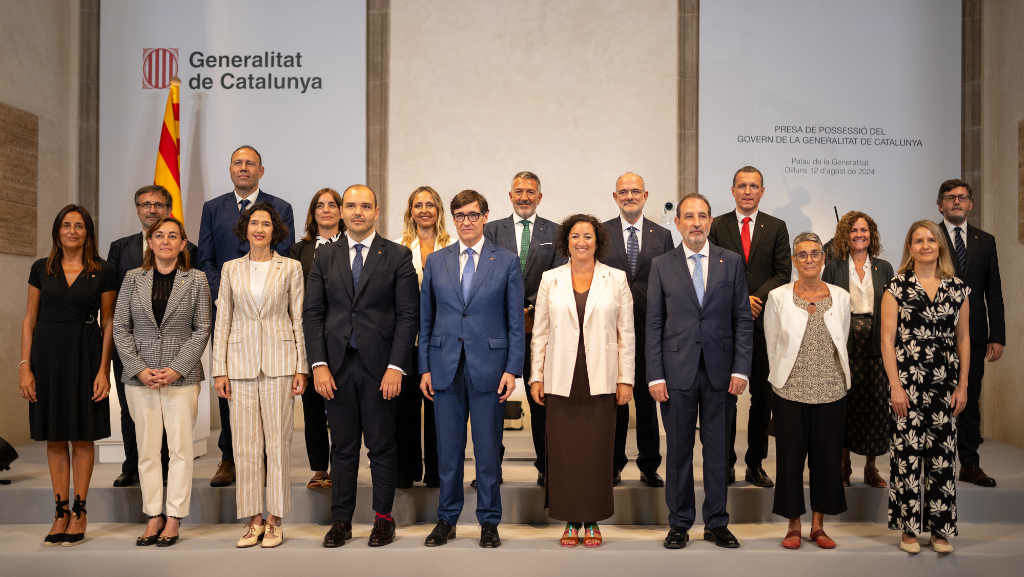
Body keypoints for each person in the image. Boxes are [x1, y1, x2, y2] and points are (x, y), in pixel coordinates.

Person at [304, 185, 419, 548]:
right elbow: (313, 313)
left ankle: (383, 520)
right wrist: (319, 365)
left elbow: (407, 317)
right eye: (350, 206)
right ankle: (341, 521)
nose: (357, 212)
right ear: (341, 211)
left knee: (382, 447)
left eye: (364, 206)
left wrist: (396, 367)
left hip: (380, 368)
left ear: (376, 211)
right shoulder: (325, 256)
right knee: (342, 448)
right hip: (336, 368)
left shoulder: (397, 255)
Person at [419, 190, 525, 549]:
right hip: (444, 366)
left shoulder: (506, 261)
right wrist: (424, 369)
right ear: (453, 219)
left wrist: (513, 368)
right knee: (448, 452)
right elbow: (426, 319)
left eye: (473, 214)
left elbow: (515, 321)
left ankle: (489, 521)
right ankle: (446, 519)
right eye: (459, 215)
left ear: (485, 216)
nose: (466, 221)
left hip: (490, 369)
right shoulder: (436, 261)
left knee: (487, 451)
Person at [648, 193, 752, 550]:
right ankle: (678, 523)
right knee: (678, 451)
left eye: (702, 216)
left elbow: (742, 319)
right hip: (676, 373)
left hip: (721, 374)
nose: (695, 222)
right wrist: (655, 375)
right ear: (677, 222)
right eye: (688, 216)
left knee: (718, 452)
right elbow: (654, 323)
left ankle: (716, 522)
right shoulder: (662, 265)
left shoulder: (732, 262)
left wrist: (742, 368)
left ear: (710, 222)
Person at [529, 214, 634, 547]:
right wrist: (536, 376)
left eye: (588, 236)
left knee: (596, 452)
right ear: (566, 241)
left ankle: (593, 520)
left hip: (600, 378)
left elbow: (626, 333)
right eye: (575, 236)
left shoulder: (615, 279)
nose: (581, 242)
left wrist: (625, 378)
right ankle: (571, 520)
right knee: (564, 453)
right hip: (561, 378)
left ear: (598, 241)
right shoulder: (550, 279)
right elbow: (540, 332)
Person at [211, 202, 307, 549]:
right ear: (245, 229)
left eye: (266, 224)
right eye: (255, 223)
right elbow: (223, 321)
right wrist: (219, 369)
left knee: (278, 444)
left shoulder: (291, 268)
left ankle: (276, 518)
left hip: (281, 363)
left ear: (275, 230)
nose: (260, 229)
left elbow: (298, 317)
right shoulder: (231, 269)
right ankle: (252, 519)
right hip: (239, 365)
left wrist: (302, 366)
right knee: (246, 446)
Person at [198, 145, 295, 488]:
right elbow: (206, 259)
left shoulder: (281, 208)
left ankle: (268, 458)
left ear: (261, 170)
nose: (243, 168)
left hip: (269, 314)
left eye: (250, 163)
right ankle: (230, 457)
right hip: (230, 312)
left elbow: (284, 258)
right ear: (230, 169)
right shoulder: (213, 209)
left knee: (270, 393)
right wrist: (226, 291)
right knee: (231, 387)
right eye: (237, 163)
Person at [18, 205, 116, 545]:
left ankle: (80, 508)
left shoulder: (103, 271)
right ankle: (59, 510)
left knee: (82, 436)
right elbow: (29, 320)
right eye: (66, 225)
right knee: (55, 436)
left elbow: (108, 323)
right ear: (57, 231)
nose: (72, 231)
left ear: (88, 232)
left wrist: (104, 370)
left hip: (85, 356)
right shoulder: (40, 268)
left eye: (79, 226)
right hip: (46, 358)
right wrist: (25, 367)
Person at [112, 216, 211, 547]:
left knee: (180, 449)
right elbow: (120, 328)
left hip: (180, 379)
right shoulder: (132, 279)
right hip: (140, 380)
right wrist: (139, 368)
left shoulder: (196, 280)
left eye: (173, 236)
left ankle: (174, 518)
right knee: (147, 450)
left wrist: (178, 367)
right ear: (150, 242)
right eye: (159, 236)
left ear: (183, 244)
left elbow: (202, 328)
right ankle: (153, 514)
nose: (166, 241)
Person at [882, 220, 970, 554]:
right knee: (906, 456)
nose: (925, 245)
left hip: (945, 386)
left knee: (942, 458)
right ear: (910, 247)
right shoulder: (896, 286)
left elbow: (964, 340)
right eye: (918, 240)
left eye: (931, 239)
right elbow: (887, 341)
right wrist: (895, 386)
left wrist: (962, 386)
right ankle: (907, 529)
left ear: (940, 246)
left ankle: (939, 530)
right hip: (907, 386)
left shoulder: (956, 288)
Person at [107, 184, 198, 488]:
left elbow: (197, 316)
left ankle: (166, 473)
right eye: (145, 204)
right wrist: (133, 359)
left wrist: (177, 365)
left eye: (158, 204)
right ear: (137, 209)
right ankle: (132, 466)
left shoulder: (190, 252)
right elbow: (115, 307)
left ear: (168, 209)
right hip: (132, 350)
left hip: (175, 355)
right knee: (133, 416)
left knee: (173, 429)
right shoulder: (121, 249)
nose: (151, 210)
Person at [764, 232, 850, 550]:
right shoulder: (778, 297)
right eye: (802, 254)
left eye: (815, 253)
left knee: (826, 461)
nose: (809, 259)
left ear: (824, 259)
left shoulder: (841, 297)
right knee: (790, 460)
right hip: (789, 391)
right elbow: (772, 345)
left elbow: (842, 341)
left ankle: (818, 526)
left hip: (831, 391)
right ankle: (793, 526)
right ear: (795, 260)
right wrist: (780, 381)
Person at [708, 165, 791, 487]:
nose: (747, 191)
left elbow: (783, 273)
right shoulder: (718, 226)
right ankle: (725, 463)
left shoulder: (776, 227)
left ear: (762, 191)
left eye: (753, 186)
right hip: (725, 326)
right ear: (732, 190)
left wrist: (754, 298)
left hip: (764, 325)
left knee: (762, 398)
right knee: (725, 398)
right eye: (741, 185)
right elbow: (712, 272)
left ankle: (755, 463)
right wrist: (741, 301)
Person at [484, 171, 562, 487]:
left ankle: (548, 467)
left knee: (541, 401)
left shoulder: (556, 233)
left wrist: (532, 309)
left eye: (531, 191)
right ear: (510, 195)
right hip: (497, 331)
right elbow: (485, 275)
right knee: (492, 403)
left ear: (540, 197)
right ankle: (491, 468)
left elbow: (556, 278)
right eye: (519, 191)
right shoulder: (491, 231)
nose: (525, 196)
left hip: (539, 332)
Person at [601, 172, 673, 487]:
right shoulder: (601, 233)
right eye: (623, 192)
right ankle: (613, 464)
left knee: (646, 402)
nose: (629, 196)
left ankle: (648, 465)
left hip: (648, 331)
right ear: (615, 197)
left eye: (635, 191)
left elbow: (669, 283)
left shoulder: (663, 235)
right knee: (615, 401)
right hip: (610, 333)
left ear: (645, 196)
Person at [935, 179, 1004, 487]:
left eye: (962, 197)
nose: (957, 202)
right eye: (951, 198)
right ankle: (937, 463)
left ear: (971, 204)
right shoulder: (929, 237)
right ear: (941, 205)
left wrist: (997, 335)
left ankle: (970, 464)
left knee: (969, 398)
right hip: (935, 334)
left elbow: (994, 291)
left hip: (974, 335)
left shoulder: (985, 241)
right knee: (937, 400)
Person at [821, 211, 894, 488]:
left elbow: (891, 308)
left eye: (864, 230)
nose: (859, 235)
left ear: (871, 234)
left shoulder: (884, 267)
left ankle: (872, 468)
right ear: (845, 236)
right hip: (845, 343)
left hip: (876, 344)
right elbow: (827, 305)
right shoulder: (835, 266)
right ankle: (844, 465)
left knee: (875, 405)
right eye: (853, 231)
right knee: (845, 405)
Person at [288, 187, 344, 490]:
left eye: (332, 205)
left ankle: (341, 465)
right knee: (312, 407)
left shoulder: (352, 245)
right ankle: (320, 468)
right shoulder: (300, 251)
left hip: (343, 335)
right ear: (313, 212)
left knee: (341, 405)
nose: (326, 210)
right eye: (319, 205)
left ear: (340, 210)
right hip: (310, 333)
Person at [397, 185, 453, 488]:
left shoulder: (453, 246)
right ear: (410, 211)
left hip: (441, 340)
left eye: (430, 204)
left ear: (438, 210)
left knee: (438, 409)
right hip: (407, 341)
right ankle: (406, 471)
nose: (424, 210)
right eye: (418, 205)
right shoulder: (397, 247)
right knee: (405, 409)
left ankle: (436, 473)